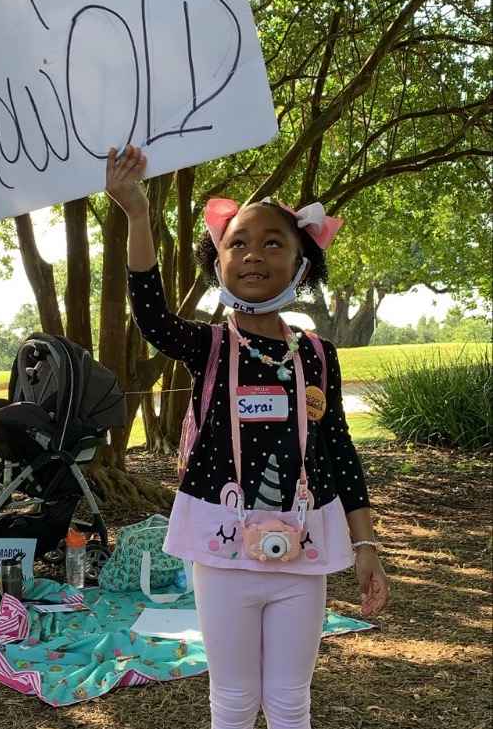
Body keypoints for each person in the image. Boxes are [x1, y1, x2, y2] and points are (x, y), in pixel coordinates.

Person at [105, 144, 389, 729]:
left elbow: (338, 450)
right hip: (221, 549)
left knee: (290, 701)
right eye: (237, 242)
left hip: (303, 552)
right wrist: (137, 213)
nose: (252, 254)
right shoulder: (208, 346)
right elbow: (152, 316)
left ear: (301, 262)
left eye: (272, 242)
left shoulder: (318, 356)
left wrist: (365, 547)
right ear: (218, 260)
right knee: (232, 701)